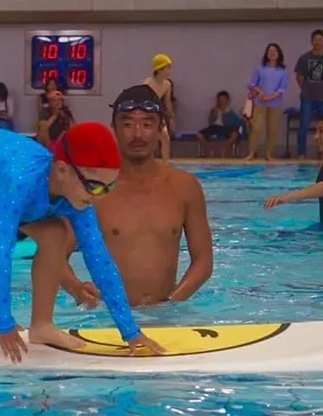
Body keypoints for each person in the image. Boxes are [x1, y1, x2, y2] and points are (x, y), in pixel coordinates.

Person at [0, 123, 165, 363]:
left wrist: (130, 331)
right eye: (94, 186)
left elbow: (99, 259)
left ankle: (42, 325)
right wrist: (2, 321)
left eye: (109, 187)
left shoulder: (79, 195)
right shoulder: (21, 181)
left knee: (55, 233)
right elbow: (1, 249)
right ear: (62, 170)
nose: (99, 197)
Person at [61, 85, 214, 308]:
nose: (138, 134)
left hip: (166, 315)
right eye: (127, 124)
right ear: (114, 129)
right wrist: (76, 288)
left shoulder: (185, 187)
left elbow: (203, 261)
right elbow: (53, 255)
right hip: (109, 316)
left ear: (161, 129)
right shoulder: (92, 190)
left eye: (147, 124)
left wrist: (171, 305)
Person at [294, 29, 323, 159]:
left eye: (320, 40)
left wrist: (322, 87)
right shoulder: (304, 58)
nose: (317, 42)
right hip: (307, 97)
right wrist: (307, 88)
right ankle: (301, 153)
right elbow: (299, 77)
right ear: (311, 41)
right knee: (304, 125)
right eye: (315, 40)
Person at [247, 42, 288, 160]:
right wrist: (260, 93)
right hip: (260, 103)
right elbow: (252, 84)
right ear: (266, 54)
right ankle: (251, 153)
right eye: (270, 51)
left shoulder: (283, 71)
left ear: (279, 54)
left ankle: (268, 154)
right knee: (257, 128)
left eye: (275, 51)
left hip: (275, 104)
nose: (272, 53)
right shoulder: (260, 68)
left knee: (272, 130)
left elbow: (282, 89)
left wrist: (269, 98)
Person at [143, 53, 176, 162]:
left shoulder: (167, 85)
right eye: (168, 68)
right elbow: (141, 101)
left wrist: (171, 118)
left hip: (156, 114)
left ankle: (166, 165)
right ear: (159, 69)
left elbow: (168, 103)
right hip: (145, 113)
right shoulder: (148, 83)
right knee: (148, 140)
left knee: (165, 137)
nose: (170, 71)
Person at [196, 91, 244, 158]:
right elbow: (210, 121)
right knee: (199, 134)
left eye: (223, 100)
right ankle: (209, 150)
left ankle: (224, 149)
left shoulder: (230, 111)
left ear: (227, 100)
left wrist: (225, 113)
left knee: (235, 135)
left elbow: (236, 122)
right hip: (215, 127)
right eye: (220, 100)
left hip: (226, 127)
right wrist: (214, 113)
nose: (222, 102)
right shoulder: (214, 109)